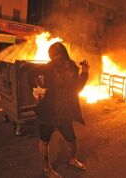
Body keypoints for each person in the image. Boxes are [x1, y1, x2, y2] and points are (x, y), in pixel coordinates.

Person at [27, 42, 89, 178]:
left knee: (71, 139)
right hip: (48, 111)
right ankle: (46, 168)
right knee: (45, 140)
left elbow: (77, 88)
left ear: (64, 52)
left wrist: (85, 73)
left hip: (65, 111)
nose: (55, 58)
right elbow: (30, 73)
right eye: (52, 55)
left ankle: (72, 159)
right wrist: (36, 88)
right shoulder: (49, 67)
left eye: (57, 54)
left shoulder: (73, 67)